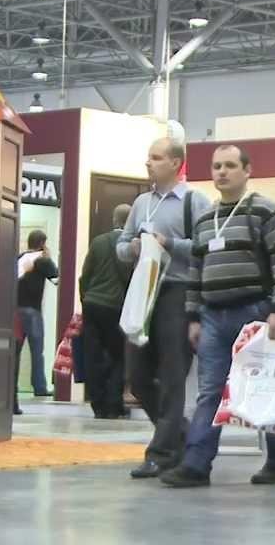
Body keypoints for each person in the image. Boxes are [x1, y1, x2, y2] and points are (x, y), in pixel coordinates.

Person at [159, 144, 275, 488]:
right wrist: (193, 317)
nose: (222, 172)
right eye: (217, 166)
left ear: (247, 171)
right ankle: (196, 464)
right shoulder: (205, 219)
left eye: (230, 165)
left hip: (257, 314)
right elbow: (196, 271)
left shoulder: (267, 211)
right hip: (212, 317)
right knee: (209, 391)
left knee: (266, 389)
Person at [116, 138, 212, 478]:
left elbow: (205, 247)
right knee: (137, 376)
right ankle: (181, 435)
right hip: (145, 291)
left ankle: (162, 452)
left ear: (175, 163)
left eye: (156, 157)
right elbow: (121, 244)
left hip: (178, 291)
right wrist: (132, 248)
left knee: (173, 375)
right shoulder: (142, 203)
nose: (149, 163)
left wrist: (168, 243)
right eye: (149, 157)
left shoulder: (194, 201)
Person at [79, 204, 133, 419]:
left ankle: (97, 403)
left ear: (114, 219)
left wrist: (85, 299)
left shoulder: (98, 241)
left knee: (93, 355)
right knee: (119, 356)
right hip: (116, 306)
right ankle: (113, 403)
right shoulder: (130, 246)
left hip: (92, 305)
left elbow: (85, 275)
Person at [16, 230, 59, 411]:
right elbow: (56, 278)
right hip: (32, 310)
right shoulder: (42, 260)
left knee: (15, 351)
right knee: (36, 350)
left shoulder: (20, 258)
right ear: (42, 243)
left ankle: (11, 386)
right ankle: (39, 387)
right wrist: (48, 256)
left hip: (16, 310)